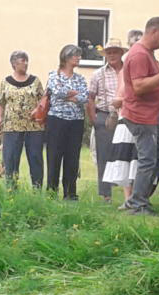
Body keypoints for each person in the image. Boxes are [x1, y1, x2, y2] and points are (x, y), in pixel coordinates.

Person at [123, 16, 159, 215]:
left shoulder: (148, 54)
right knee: (148, 160)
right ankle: (137, 204)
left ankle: (139, 198)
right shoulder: (139, 55)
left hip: (152, 115)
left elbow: (153, 87)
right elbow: (138, 87)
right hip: (140, 116)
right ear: (153, 32)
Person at [0, 50, 45, 188]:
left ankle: (37, 190)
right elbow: (0, 102)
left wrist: (39, 110)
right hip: (11, 127)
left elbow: (44, 101)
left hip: (33, 127)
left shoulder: (35, 81)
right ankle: (11, 190)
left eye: (27, 60)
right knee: (10, 159)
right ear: (14, 64)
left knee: (35, 158)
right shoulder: (5, 82)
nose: (26, 63)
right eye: (23, 61)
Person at [46, 45, 89, 200]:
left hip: (76, 121)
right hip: (56, 120)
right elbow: (57, 92)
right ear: (66, 57)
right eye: (75, 56)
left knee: (73, 157)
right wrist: (73, 94)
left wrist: (69, 95)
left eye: (79, 55)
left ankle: (70, 193)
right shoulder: (54, 76)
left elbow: (85, 97)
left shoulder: (80, 78)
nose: (78, 58)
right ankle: (51, 192)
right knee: (54, 156)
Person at [87, 38, 126, 202]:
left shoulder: (129, 70)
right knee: (104, 156)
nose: (111, 55)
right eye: (108, 52)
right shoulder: (98, 74)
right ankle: (105, 194)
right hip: (105, 114)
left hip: (126, 115)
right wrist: (94, 119)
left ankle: (128, 192)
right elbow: (90, 98)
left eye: (115, 52)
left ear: (121, 53)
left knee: (126, 154)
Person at [105, 68, 138, 209]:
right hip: (125, 119)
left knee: (138, 159)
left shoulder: (152, 68)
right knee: (125, 159)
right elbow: (117, 99)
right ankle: (128, 199)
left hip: (143, 119)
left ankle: (138, 197)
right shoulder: (124, 72)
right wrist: (125, 100)